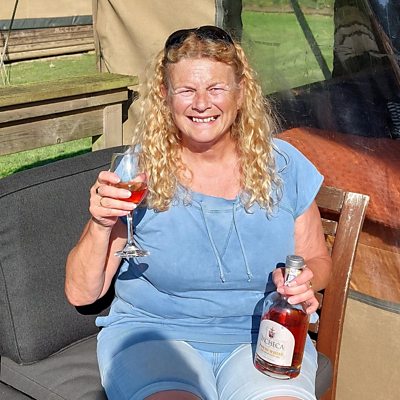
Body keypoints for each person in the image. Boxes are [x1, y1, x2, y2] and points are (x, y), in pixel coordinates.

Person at [65, 25, 332, 400]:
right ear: (165, 95)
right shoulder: (140, 171)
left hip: (264, 334)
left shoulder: (284, 166)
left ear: (241, 93)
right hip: (156, 335)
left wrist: (306, 280)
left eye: (216, 88)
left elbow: (318, 260)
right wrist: (100, 223)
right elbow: (81, 294)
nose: (202, 103)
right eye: (187, 90)